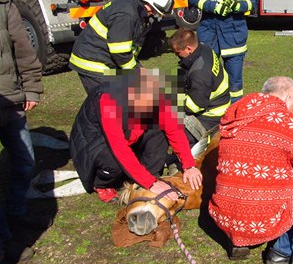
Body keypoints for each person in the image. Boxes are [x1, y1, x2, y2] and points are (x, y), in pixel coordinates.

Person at [209, 76, 293, 264]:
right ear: (288, 98)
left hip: (224, 217)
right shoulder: (289, 124)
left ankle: (237, 242)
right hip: (259, 221)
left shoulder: (234, 117)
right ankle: (284, 251)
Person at [69, 69, 202, 204]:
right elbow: (119, 148)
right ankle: (102, 184)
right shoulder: (109, 101)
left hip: (129, 134)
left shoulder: (156, 95)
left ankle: (149, 173)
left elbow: (174, 129)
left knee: (158, 131)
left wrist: (189, 165)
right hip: (93, 143)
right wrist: (150, 183)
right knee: (113, 162)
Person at [0, 0, 44, 264]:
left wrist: (31, 89)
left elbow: (23, 50)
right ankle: (5, 245)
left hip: (10, 103)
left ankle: (16, 211)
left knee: (26, 163)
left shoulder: (4, 5)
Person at [69, 0, 174, 92]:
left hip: (106, 59)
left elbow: (129, 46)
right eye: (153, 9)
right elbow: (120, 51)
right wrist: (137, 71)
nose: (152, 13)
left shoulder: (135, 10)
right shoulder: (126, 14)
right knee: (107, 104)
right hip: (93, 62)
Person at [189, 0, 258, 103]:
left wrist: (237, 6)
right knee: (206, 76)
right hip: (210, 33)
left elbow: (253, 2)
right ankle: (208, 111)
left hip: (234, 34)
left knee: (235, 83)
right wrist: (214, 7)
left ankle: (234, 113)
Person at [168, 28, 231, 146]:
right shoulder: (205, 49)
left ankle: (190, 155)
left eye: (178, 52)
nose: (177, 56)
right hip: (219, 103)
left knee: (171, 129)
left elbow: (195, 106)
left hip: (210, 117)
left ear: (188, 49)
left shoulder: (200, 73)